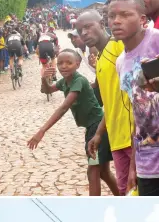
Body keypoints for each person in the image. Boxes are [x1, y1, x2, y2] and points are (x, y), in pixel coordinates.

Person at [27, 49, 119, 196]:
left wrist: (42, 130)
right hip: (93, 127)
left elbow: (64, 107)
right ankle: (123, 199)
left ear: (77, 64)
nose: (64, 66)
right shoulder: (65, 81)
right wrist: (44, 78)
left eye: (69, 63)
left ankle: (94, 210)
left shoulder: (79, 81)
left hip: (97, 128)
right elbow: (47, 90)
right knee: (104, 172)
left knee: (93, 171)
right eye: (61, 63)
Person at [76, 10, 133, 196]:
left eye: (87, 27)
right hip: (117, 140)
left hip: (134, 136)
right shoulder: (100, 61)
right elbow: (110, 103)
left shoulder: (119, 46)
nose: (83, 33)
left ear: (102, 24)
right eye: (79, 30)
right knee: (126, 193)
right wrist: (99, 134)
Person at [108, 0, 159, 196]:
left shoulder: (156, 40)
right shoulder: (121, 63)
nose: (116, 21)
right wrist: (133, 167)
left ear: (142, 19)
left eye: (125, 14)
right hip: (147, 164)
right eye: (111, 16)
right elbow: (137, 117)